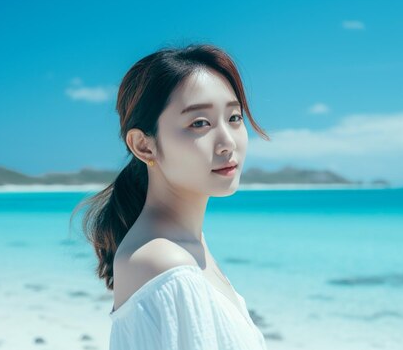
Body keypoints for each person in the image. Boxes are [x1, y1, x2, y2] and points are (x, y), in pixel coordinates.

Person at [71, 43, 271, 350]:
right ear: (144, 146)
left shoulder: (186, 246)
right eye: (199, 123)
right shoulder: (164, 262)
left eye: (234, 118)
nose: (227, 143)